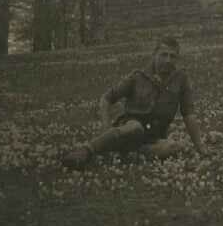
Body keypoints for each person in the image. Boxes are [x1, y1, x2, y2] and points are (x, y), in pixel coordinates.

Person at [62, 37, 205, 169]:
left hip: (153, 136)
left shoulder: (181, 80)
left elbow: (189, 115)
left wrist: (201, 148)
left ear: (177, 59)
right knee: (135, 127)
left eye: (172, 56)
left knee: (174, 147)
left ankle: (125, 154)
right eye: (163, 54)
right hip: (129, 127)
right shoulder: (137, 77)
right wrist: (105, 127)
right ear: (154, 55)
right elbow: (106, 99)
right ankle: (86, 151)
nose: (168, 60)